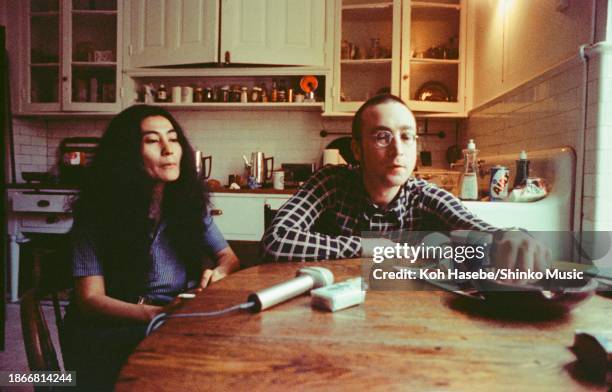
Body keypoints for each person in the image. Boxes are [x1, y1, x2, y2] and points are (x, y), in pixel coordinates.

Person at [262, 94, 551, 272]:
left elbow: (478, 228)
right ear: (358, 149)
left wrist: (511, 237)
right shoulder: (330, 183)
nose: (397, 150)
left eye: (406, 136)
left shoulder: (425, 195)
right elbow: (276, 241)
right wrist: (369, 246)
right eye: (381, 137)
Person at [60, 105, 240, 391]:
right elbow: (90, 300)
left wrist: (218, 273)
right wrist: (160, 314)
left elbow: (228, 257)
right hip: (107, 334)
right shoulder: (97, 213)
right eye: (152, 140)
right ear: (127, 153)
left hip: (166, 323)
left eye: (173, 138)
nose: (169, 149)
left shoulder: (188, 205)